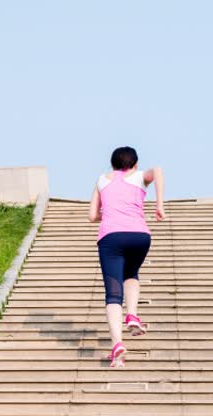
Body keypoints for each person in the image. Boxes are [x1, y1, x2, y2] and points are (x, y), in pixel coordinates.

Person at [88, 146, 165, 368]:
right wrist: (159, 205)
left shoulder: (102, 180)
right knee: (131, 273)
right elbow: (158, 170)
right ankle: (132, 315)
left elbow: (92, 215)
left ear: (112, 165)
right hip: (140, 236)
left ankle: (118, 344)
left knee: (113, 294)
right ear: (135, 164)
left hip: (111, 238)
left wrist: (112, 211)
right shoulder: (140, 176)